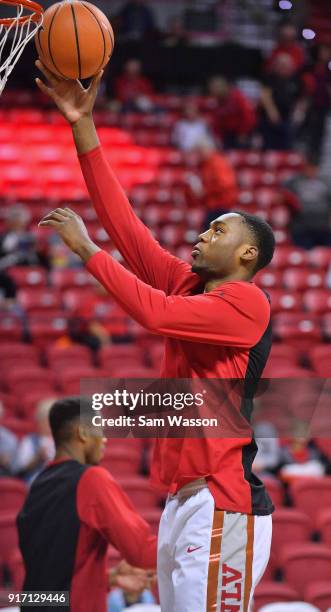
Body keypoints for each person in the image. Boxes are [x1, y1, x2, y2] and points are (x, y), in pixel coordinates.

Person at [36, 60, 276, 612]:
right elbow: (127, 226)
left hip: (222, 502)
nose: (202, 232)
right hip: (183, 501)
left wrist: (85, 251)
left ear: (246, 254)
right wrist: (82, 125)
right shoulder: (192, 282)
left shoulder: (247, 301)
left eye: (218, 229)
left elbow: (157, 315)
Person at [17, 397, 157, 612]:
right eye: (100, 431)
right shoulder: (92, 479)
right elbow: (142, 551)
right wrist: (196, 545)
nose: (104, 440)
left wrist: (109, 579)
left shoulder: (38, 485)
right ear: (83, 433)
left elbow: (51, 579)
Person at [186, 137, 239, 229]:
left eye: (199, 151)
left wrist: (205, 191)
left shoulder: (217, 163)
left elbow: (224, 185)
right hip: (212, 207)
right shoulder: (204, 165)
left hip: (220, 207)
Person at [260, 53, 310, 150]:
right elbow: (265, 96)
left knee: (288, 141)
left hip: (289, 117)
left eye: (286, 66)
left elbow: (302, 98)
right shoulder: (270, 78)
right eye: (281, 66)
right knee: (270, 143)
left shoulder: (296, 79)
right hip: (271, 118)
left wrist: (299, 112)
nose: (283, 69)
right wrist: (272, 112)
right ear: (276, 66)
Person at [284, 160, 331, 249]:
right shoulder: (295, 182)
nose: (311, 171)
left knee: (325, 254)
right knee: (303, 254)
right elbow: (283, 195)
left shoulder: (325, 183)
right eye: (308, 168)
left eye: (313, 168)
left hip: (323, 227)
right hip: (301, 227)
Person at [208, 76, 257, 148]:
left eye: (216, 88)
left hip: (243, 133)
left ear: (224, 87)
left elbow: (249, 117)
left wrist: (243, 132)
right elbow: (216, 123)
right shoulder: (216, 102)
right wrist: (218, 137)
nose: (214, 91)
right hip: (227, 135)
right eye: (212, 89)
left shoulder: (237, 97)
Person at [15, 397, 56, 484]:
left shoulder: (64, 440)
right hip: (37, 480)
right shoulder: (30, 441)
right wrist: (38, 457)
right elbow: (21, 469)